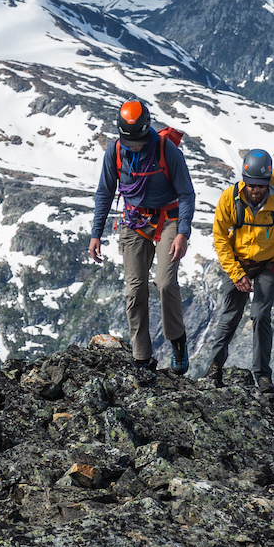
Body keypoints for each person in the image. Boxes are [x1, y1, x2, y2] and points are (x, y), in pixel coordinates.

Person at [88, 100, 195, 372]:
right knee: (135, 289)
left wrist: (183, 233)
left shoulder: (166, 150)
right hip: (134, 221)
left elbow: (186, 194)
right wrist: (96, 233)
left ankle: (177, 340)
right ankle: (142, 357)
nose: (134, 146)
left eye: (138, 141)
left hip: (168, 218)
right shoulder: (115, 151)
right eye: (129, 141)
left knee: (164, 282)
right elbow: (105, 192)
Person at [206, 148, 274, 391]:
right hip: (239, 262)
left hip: (268, 265)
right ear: (244, 180)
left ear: (267, 182)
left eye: (260, 185)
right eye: (251, 185)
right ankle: (214, 370)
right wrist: (236, 273)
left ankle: (263, 376)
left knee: (261, 316)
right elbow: (220, 236)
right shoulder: (230, 198)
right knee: (229, 316)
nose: (255, 190)